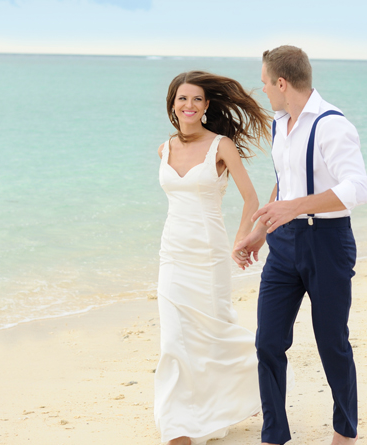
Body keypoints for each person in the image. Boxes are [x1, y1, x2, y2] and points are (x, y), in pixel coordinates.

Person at [233, 46, 367, 445]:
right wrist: (263, 228)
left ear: (281, 82)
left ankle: (344, 433)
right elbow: (286, 180)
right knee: (268, 342)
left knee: (332, 342)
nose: (262, 90)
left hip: (327, 242)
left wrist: (296, 207)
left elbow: (358, 188)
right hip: (283, 245)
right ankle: (274, 435)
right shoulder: (281, 123)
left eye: (264, 82)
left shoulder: (332, 125)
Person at [154, 70, 271, 445]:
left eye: (197, 100)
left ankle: (255, 382)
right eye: (182, 99)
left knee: (215, 330)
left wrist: (242, 239)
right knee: (174, 339)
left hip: (209, 252)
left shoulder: (221, 145)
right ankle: (178, 424)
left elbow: (251, 199)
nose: (189, 105)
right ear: (173, 104)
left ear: (206, 106)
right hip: (172, 252)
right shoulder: (164, 147)